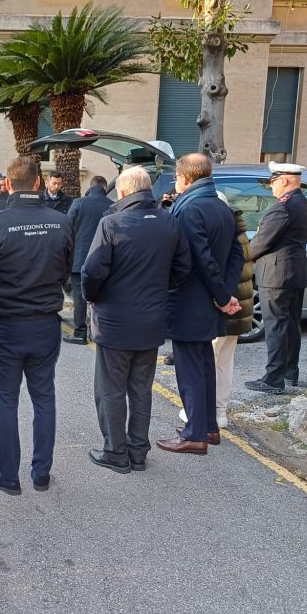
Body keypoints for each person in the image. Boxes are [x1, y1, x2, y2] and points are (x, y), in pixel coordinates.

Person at [0, 156, 73, 494]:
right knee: (44, 397)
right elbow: (66, 270)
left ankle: (9, 476)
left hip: (7, 324)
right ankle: (41, 473)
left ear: (7, 184)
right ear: (38, 182)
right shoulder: (61, 222)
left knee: (6, 400)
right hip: (45, 324)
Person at [82, 167, 191, 473]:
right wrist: (161, 289)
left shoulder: (112, 223)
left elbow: (92, 272)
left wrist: (92, 297)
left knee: (111, 389)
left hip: (115, 321)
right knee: (141, 389)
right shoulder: (168, 221)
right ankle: (138, 452)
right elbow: (183, 267)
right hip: (151, 318)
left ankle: (116, 452)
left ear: (124, 191)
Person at [157, 154, 244, 456]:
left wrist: (222, 296)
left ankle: (195, 434)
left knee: (190, 368)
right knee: (204, 363)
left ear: (184, 177)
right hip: (208, 301)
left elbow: (200, 259)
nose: (175, 181)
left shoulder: (190, 208)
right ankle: (209, 427)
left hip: (189, 300)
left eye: (176, 176)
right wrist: (225, 293)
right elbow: (236, 254)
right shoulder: (221, 206)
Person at [179, 199, 254, 428]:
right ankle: (220, 412)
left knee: (207, 361)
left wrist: (222, 297)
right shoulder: (240, 234)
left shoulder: (215, 236)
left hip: (221, 305)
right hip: (238, 307)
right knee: (224, 362)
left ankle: (201, 413)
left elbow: (210, 269)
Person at [244, 162, 307, 394]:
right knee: (291, 325)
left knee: (276, 326)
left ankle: (273, 378)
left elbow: (261, 242)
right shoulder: (303, 203)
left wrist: (241, 256)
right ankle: (290, 372)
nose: (271, 186)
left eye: (273, 181)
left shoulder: (282, 208)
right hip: (295, 272)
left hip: (276, 275)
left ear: (283, 180)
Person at [65, 175, 112, 345]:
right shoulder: (112, 206)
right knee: (101, 297)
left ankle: (80, 333)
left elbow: (67, 229)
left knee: (79, 297)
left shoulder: (78, 203)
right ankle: (98, 332)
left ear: (90, 187)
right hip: (103, 260)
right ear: (105, 188)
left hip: (79, 259)